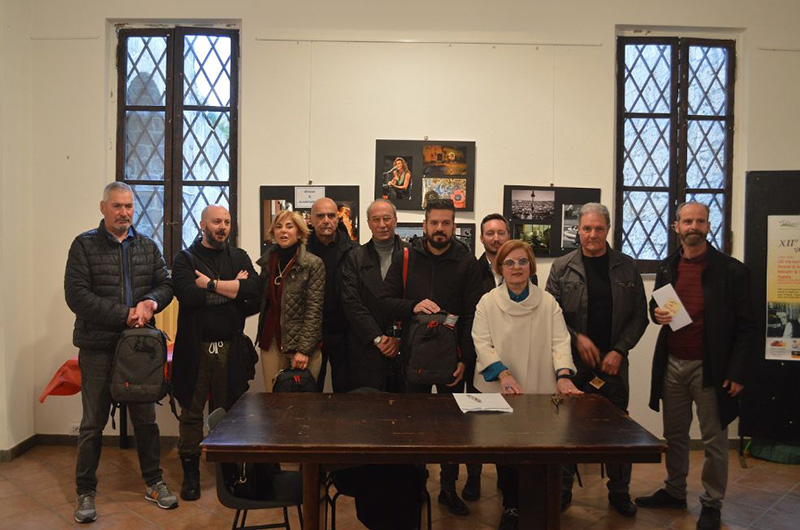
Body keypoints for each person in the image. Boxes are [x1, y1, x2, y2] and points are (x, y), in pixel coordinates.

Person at [635, 202, 756, 530]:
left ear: (708, 226)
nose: (694, 227)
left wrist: (737, 372)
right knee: (675, 434)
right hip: (673, 363)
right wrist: (655, 314)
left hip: (712, 368)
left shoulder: (731, 270)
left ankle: (712, 503)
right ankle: (675, 491)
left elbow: (747, 327)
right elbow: (657, 307)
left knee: (714, 439)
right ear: (676, 226)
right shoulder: (668, 266)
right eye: (687, 221)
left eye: (700, 221)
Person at [65, 182, 176, 523]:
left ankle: (154, 482)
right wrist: (124, 314)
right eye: (117, 206)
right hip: (97, 347)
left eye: (129, 206)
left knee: (146, 420)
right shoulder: (84, 245)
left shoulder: (147, 246)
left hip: (138, 348)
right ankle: (85, 491)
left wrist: (150, 302)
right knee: (92, 424)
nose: (124, 212)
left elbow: (166, 284)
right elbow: (77, 295)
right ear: (103, 208)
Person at [382, 198, 483, 517]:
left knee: (452, 430)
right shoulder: (405, 257)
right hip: (414, 358)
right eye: (435, 223)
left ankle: (448, 490)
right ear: (424, 225)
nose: (440, 229)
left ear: (454, 226)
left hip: (453, 360)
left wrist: (465, 359)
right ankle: (414, 487)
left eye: (446, 223)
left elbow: (472, 314)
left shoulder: (466, 262)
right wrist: (412, 305)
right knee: (415, 427)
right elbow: (384, 301)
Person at [545, 203, 648, 517]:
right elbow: (550, 316)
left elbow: (639, 317)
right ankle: (562, 492)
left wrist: (620, 350)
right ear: (578, 230)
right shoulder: (562, 267)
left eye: (599, 228)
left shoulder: (627, 267)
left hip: (613, 365)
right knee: (566, 429)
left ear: (608, 230)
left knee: (619, 432)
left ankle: (619, 493)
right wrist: (577, 338)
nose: (593, 234)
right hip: (572, 364)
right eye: (587, 228)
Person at [472, 239, 581, 530]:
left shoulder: (547, 302)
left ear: (531, 266)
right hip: (501, 387)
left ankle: (537, 505)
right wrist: (503, 374)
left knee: (538, 448)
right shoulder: (487, 302)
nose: (516, 267)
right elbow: (482, 342)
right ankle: (511, 506)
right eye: (509, 263)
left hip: (537, 387)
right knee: (505, 450)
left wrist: (563, 375)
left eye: (522, 261)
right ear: (500, 268)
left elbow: (560, 341)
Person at [171, 205, 260, 501]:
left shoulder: (239, 256)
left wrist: (210, 285)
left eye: (227, 222)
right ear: (202, 224)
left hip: (230, 350)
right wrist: (233, 291)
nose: (222, 227)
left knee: (228, 413)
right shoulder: (185, 259)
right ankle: (191, 476)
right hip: (194, 349)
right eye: (217, 222)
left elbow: (255, 293)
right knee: (191, 414)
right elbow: (188, 295)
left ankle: (229, 473)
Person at [341, 199, 409, 392]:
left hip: (404, 347)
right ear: (368, 223)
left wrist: (399, 339)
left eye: (387, 218)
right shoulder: (355, 257)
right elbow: (351, 303)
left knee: (405, 406)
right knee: (368, 405)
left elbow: (416, 300)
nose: (382, 224)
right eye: (376, 219)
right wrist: (379, 339)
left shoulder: (412, 254)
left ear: (395, 220)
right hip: (367, 347)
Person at [256, 210, 325, 391]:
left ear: (300, 232)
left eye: (289, 226)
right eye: (278, 227)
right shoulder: (268, 262)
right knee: (272, 399)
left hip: (302, 346)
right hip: (271, 341)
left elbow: (314, 310)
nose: (283, 231)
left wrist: (303, 350)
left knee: (303, 404)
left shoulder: (313, 264)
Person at [307, 197, 358, 392]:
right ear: (311, 219)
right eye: (320, 216)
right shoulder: (301, 250)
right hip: (311, 334)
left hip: (344, 332)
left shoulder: (354, 251)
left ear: (338, 219)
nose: (326, 221)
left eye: (331, 216)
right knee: (311, 391)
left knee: (345, 392)